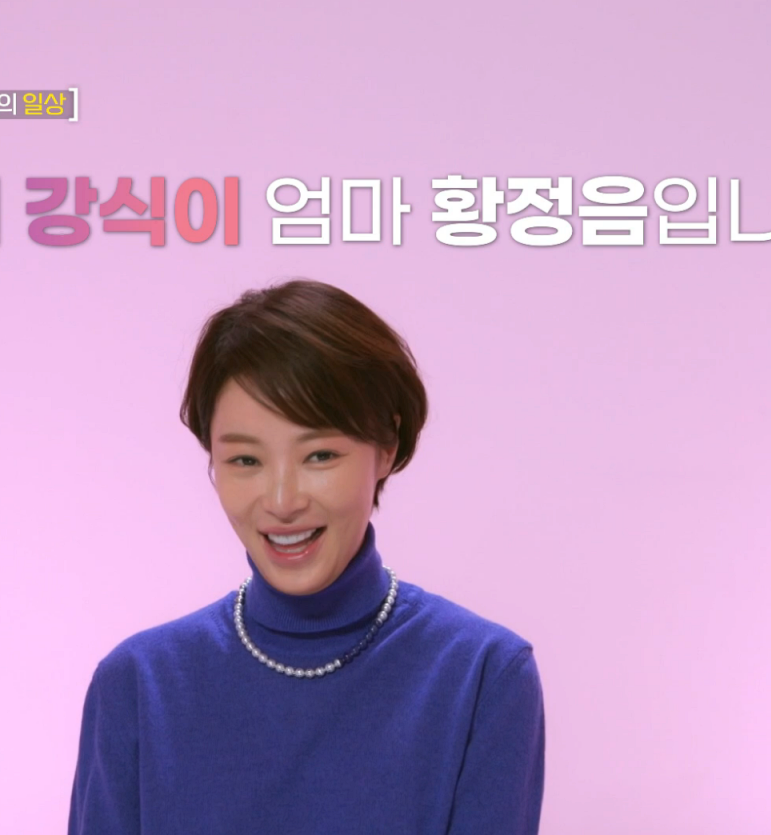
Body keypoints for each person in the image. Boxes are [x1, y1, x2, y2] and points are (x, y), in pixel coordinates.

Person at [68, 278, 545, 834]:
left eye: (319, 455)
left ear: (386, 447)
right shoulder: (137, 686)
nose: (282, 501)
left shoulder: (482, 676)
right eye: (246, 461)